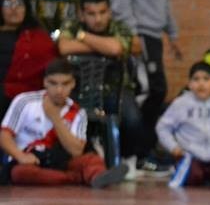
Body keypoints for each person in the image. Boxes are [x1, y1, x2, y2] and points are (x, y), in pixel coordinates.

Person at [111, 0, 182, 171]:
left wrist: (172, 35)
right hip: (139, 35)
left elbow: (162, 1)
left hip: (153, 36)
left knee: (156, 91)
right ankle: (136, 156)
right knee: (150, 92)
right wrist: (132, 35)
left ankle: (144, 153)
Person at [0, 58, 127, 188]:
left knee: (92, 160)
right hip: (29, 161)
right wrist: (20, 156)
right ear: (45, 82)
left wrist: (55, 118)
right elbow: (4, 136)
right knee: (20, 173)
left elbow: (76, 151)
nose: (59, 90)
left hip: (60, 160)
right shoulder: (24, 101)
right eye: (53, 83)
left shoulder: (77, 112)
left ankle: (98, 176)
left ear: (73, 84)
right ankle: (76, 178)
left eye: (65, 84)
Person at [57, 0, 144, 177]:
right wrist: (102, 46)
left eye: (103, 12)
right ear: (81, 14)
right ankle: (84, 161)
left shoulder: (118, 27)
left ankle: (127, 160)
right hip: (79, 88)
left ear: (110, 12)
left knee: (132, 119)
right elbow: (64, 47)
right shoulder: (72, 25)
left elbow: (115, 48)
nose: (98, 19)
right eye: (91, 13)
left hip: (116, 88)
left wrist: (82, 37)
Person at [0, 0, 57, 119]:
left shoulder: (38, 36)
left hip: (26, 94)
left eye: (19, 3)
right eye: (8, 3)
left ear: (26, 8)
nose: (14, 8)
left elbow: (51, 66)